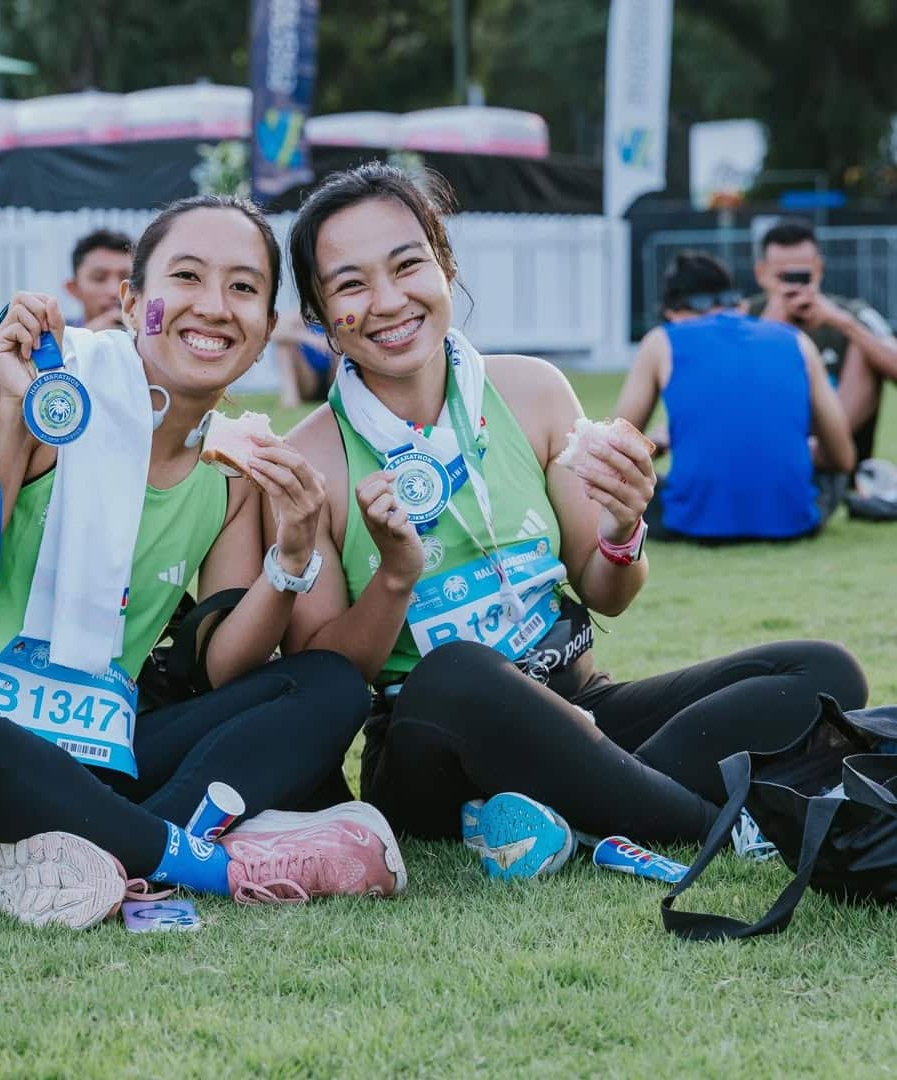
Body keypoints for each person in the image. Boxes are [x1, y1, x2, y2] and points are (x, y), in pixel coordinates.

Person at [273, 162, 869, 879]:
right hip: (432, 744)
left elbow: (606, 589)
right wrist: (395, 577)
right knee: (454, 674)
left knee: (822, 673)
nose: (388, 300)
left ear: (445, 264)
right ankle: (713, 824)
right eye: (350, 285)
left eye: (408, 265)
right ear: (316, 316)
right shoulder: (310, 457)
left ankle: (575, 802)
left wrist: (622, 530)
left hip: (581, 701)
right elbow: (328, 677)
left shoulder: (533, 391)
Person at [0, 194, 406, 931]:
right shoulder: (50, 399)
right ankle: (196, 859)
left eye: (242, 288)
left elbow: (220, 669)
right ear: (135, 303)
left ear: (266, 331)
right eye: (188, 277)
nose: (213, 306)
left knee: (329, 684)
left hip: (89, 761)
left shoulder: (231, 476)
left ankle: (82, 849)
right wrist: (8, 410)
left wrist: (289, 557)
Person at [614, 251, 854, 542]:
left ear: (671, 312)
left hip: (691, 522)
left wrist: (660, 443)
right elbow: (842, 458)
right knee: (832, 474)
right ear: (739, 304)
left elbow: (616, 450)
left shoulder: (661, 340)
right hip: (794, 520)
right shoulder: (796, 339)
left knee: (624, 485)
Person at [748, 218, 897, 468]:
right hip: (767, 450)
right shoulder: (744, 316)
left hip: (836, 458)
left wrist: (844, 324)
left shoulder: (851, 313)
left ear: (819, 269)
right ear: (761, 274)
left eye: (803, 275)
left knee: (865, 344)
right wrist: (768, 327)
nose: (795, 285)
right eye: (784, 276)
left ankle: (818, 452)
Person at [65, 228, 133, 331]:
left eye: (126, 278)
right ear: (74, 288)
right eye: (99, 278)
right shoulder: (55, 339)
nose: (114, 291)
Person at [273, 308, 339, 407]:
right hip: (308, 379)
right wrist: (310, 339)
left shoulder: (338, 316)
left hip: (334, 376)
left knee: (344, 346)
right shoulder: (299, 317)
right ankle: (290, 398)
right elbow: (274, 332)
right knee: (284, 346)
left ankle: (343, 394)